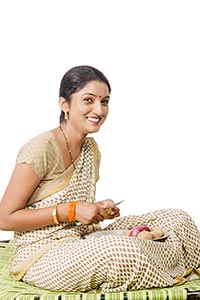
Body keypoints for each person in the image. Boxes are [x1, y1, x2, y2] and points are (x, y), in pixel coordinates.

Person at [0, 65, 200, 293]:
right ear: (64, 104)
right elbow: (5, 218)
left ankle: (163, 263)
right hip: (43, 255)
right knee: (124, 253)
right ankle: (165, 263)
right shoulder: (41, 149)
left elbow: (74, 216)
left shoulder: (90, 149)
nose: (99, 110)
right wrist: (73, 210)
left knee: (177, 220)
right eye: (88, 100)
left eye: (104, 101)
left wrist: (96, 210)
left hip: (81, 239)